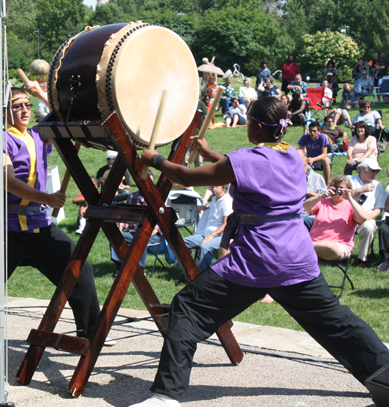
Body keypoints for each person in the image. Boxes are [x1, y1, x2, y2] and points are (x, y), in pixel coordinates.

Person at [132, 97, 389, 407]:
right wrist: (209, 153)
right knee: (337, 323)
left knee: (189, 307)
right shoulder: (294, 155)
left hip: (255, 260)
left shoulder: (242, 161)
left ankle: (165, 397)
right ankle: (384, 375)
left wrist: (154, 158)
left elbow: (188, 176)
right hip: (296, 258)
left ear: (252, 125)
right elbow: (243, 166)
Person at [0, 87, 105, 363]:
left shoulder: (38, 135)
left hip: (40, 228)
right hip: (8, 231)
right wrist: (47, 197)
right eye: (17, 106)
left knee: (79, 269)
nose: (25, 110)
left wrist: (40, 92)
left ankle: (91, 332)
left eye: (28, 105)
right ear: (5, 112)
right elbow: (6, 180)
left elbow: (63, 114)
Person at [168, 185, 232, 272]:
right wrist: (203, 207)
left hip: (220, 236)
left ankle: (203, 275)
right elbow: (211, 207)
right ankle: (186, 268)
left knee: (205, 247)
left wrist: (211, 236)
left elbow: (226, 224)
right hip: (205, 234)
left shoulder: (227, 202)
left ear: (224, 188)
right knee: (182, 242)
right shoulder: (215, 199)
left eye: (217, 185)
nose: (213, 186)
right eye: (213, 184)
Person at [304, 175, 368, 262]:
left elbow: (363, 217)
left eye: (341, 188)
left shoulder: (350, 206)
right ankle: (303, 249)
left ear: (347, 190)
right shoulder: (323, 202)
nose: (337, 190)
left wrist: (349, 197)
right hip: (315, 242)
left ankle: (301, 248)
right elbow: (305, 206)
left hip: (338, 246)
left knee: (328, 246)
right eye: (335, 187)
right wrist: (321, 196)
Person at [110, 171, 162, 272]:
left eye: (149, 182)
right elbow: (126, 215)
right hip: (132, 231)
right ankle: (120, 265)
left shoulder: (157, 197)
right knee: (114, 236)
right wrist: (120, 228)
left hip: (152, 234)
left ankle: (139, 269)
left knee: (141, 238)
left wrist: (154, 230)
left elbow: (160, 219)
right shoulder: (132, 196)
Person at [347, 159, 385, 269]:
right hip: (347, 217)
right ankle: (342, 256)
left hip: (366, 218)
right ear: (363, 169)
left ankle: (361, 259)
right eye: (373, 170)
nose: (375, 174)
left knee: (369, 226)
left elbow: (378, 209)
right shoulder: (349, 180)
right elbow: (340, 198)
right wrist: (361, 190)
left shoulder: (377, 185)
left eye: (377, 172)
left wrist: (366, 218)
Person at [297, 149, 327, 230]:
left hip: (310, 216)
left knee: (297, 220)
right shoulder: (287, 178)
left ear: (306, 161)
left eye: (298, 158)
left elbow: (326, 198)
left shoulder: (317, 178)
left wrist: (308, 192)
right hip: (291, 214)